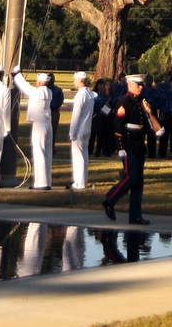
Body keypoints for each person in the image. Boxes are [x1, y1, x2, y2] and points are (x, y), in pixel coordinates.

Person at [103, 73, 162, 223]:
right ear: (130, 85)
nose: (141, 87)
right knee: (131, 177)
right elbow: (117, 126)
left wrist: (155, 132)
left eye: (141, 84)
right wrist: (120, 147)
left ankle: (135, 215)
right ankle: (110, 199)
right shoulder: (125, 101)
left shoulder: (140, 100)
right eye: (138, 84)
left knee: (138, 181)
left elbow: (145, 121)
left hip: (138, 143)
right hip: (128, 144)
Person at [12, 68, 54, 189]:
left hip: (39, 125)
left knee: (39, 153)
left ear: (40, 82)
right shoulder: (49, 92)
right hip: (48, 124)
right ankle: (47, 181)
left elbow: (25, 86)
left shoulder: (37, 92)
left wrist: (17, 75)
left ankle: (40, 183)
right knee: (47, 154)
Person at [69, 70, 97, 190]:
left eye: (75, 80)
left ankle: (79, 183)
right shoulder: (90, 94)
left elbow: (76, 115)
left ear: (81, 81)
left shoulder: (80, 95)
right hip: (87, 128)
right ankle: (83, 181)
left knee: (78, 156)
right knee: (84, 156)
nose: (74, 82)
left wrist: (72, 132)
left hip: (79, 129)